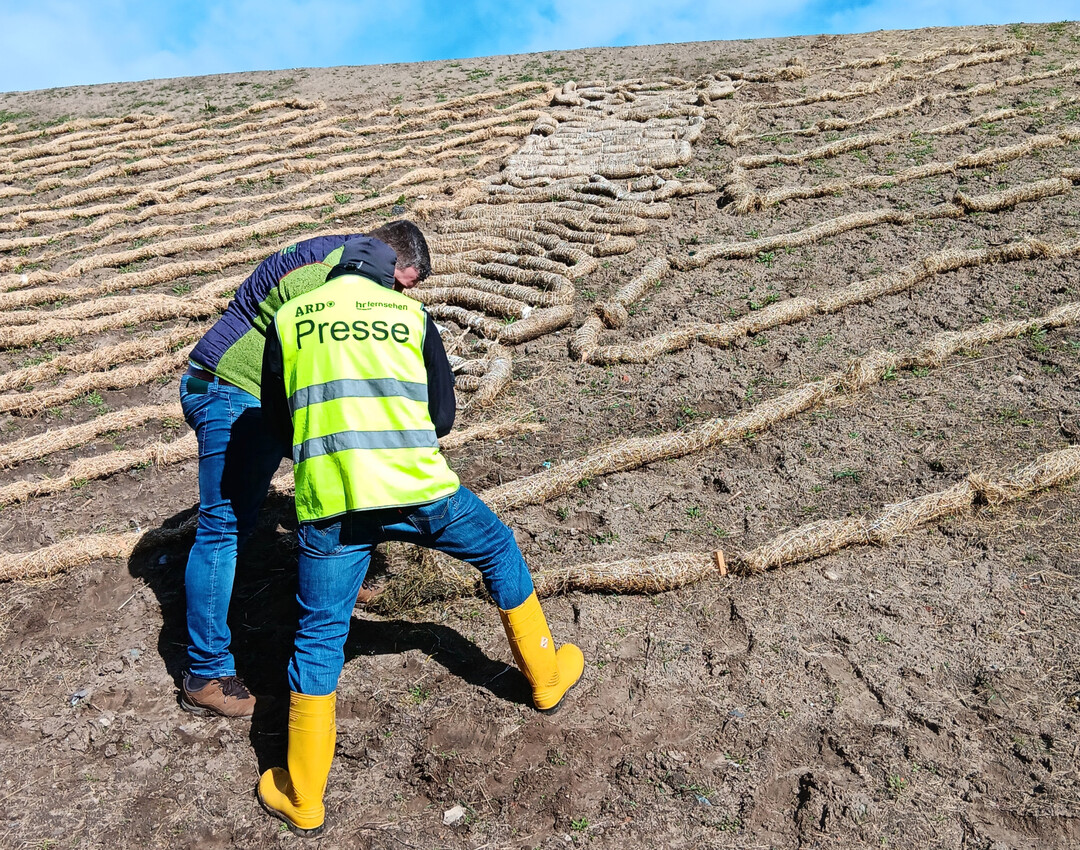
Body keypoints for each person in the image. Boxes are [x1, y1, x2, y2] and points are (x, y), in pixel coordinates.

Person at [255, 235, 584, 836]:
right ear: (391, 275)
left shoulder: (289, 318)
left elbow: (279, 419)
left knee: (320, 634)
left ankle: (303, 797)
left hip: (333, 501)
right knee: (498, 550)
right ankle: (545, 679)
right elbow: (443, 417)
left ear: (336, 270)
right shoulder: (410, 316)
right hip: (419, 492)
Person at [178, 222, 432, 718]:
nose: (397, 299)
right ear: (385, 258)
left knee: (335, 475)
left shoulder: (342, 263)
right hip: (232, 389)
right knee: (223, 527)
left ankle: (343, 573)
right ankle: (205, 674)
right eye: (398, 287)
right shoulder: (328, 279)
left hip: (264, 394)